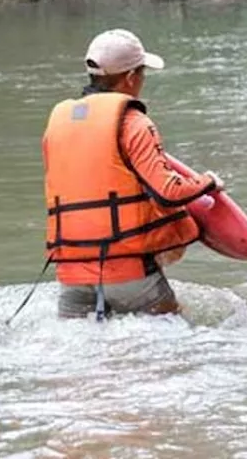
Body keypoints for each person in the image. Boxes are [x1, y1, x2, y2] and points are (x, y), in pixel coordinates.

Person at [43, 29, 220, 320]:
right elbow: (168, 191)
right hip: (129, 274)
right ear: (129, 78)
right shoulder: (133, 123)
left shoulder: (58, 125)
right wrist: (208, 182)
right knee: (175, 346)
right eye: (142, 74)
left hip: (72, 276)